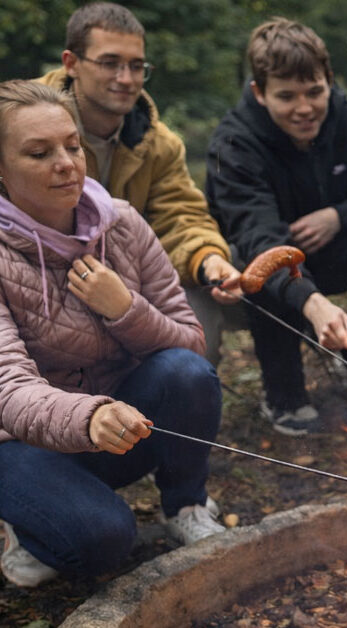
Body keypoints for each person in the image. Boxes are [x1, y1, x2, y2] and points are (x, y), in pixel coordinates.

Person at [0, 80, 224, 588]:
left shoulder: (121, 222)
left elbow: (192, 346)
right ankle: (23, 525)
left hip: (113, 430)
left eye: (72, 146)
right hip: (19, 443)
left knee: (186, 371)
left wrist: (126, 309)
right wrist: (90, 415)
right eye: (39, 153)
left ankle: (186, 505)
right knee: (104, 540)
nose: (66, 163)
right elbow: (8, 388)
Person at [206, 18, 347, 436]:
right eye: (286, 96)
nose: (304, 108)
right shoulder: (234, 144)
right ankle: (284, 394)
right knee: (262, 267)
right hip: (258, 264)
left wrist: (340, 215)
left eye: (314, 92)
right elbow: (258, 237)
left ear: (329, 81)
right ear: (259, 92)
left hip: (336, 248)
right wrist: (312, 301)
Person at [39, 2, 243, 366]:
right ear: (71, 63)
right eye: (110, 63)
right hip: (36, 279)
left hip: (128, 281)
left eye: (136, 66)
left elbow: (180, 216)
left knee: (196, 336)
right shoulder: (20, 121)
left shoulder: (159, 143)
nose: (126, 78)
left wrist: (208, 259)